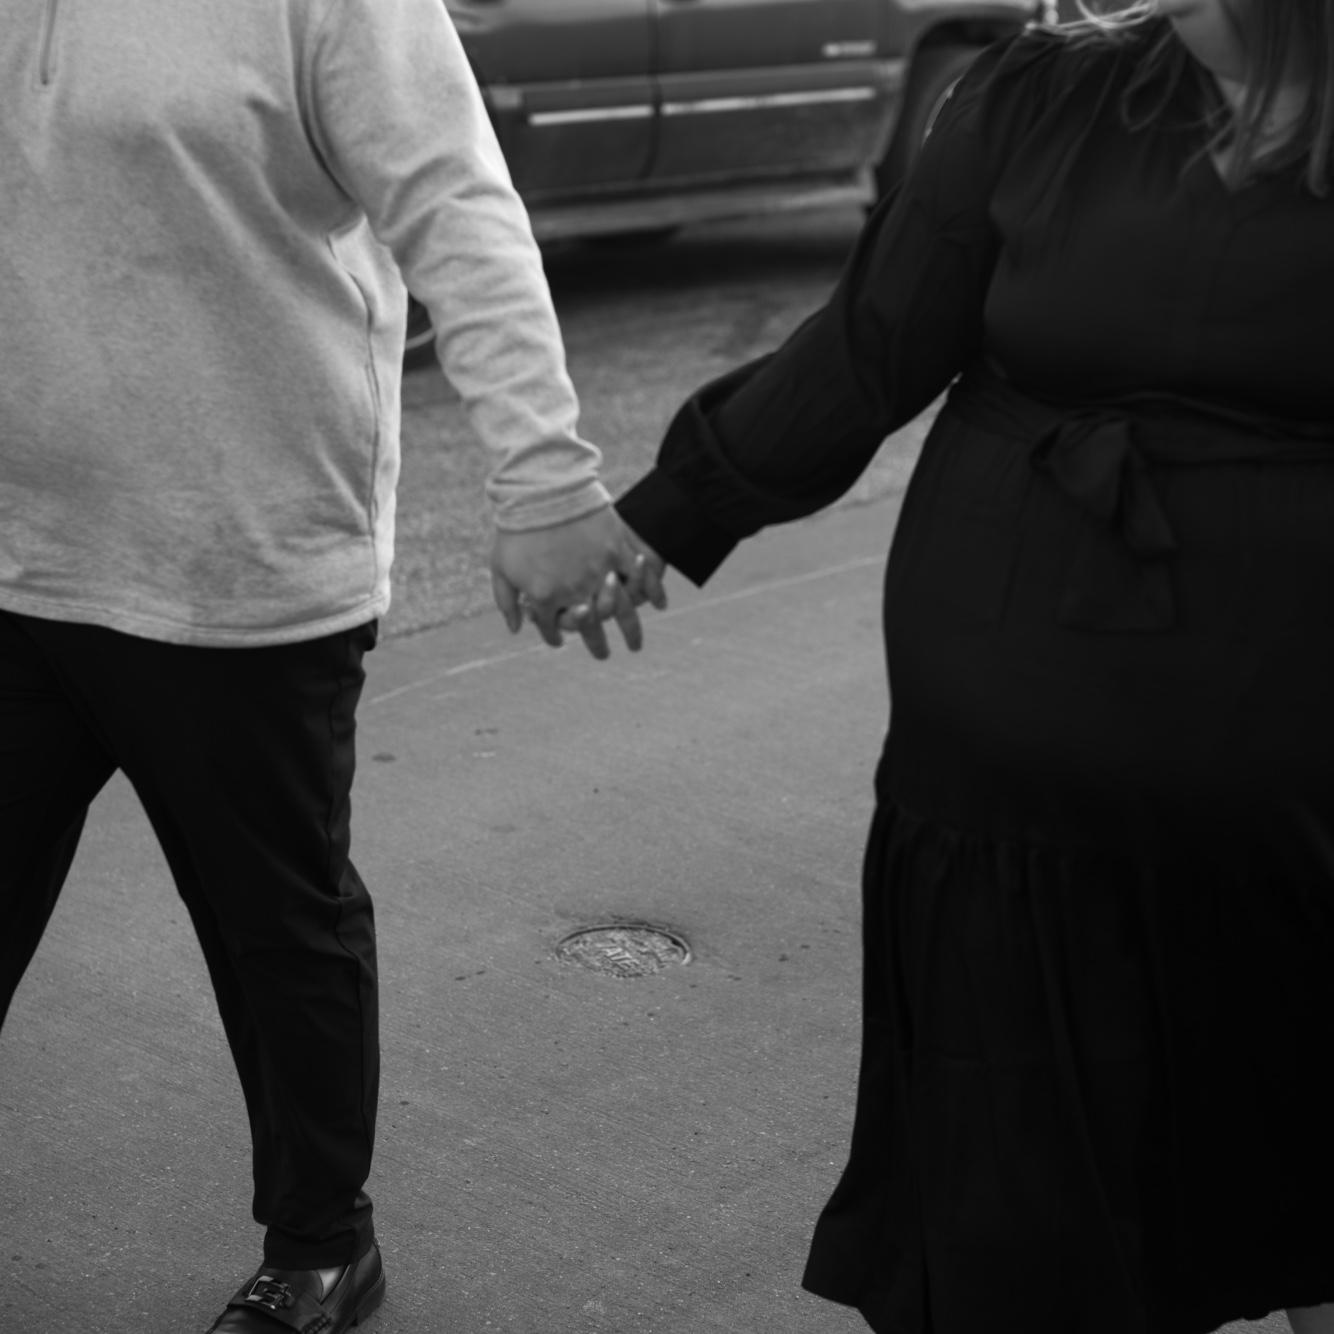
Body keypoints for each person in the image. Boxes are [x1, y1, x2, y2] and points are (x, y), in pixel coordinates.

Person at [614, 1, 1334, 1330]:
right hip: (1003, 802)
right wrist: (668, 511)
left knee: (1298, 1143)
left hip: (1283, 799)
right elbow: (870, 344)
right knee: (1022, 1203)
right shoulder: (1042, 95)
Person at [0, 1, 659, 1331]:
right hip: (18, 546)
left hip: (241, 557)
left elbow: (461, 213)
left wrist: (543, 478)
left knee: (274, 927)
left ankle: (320, 1242)